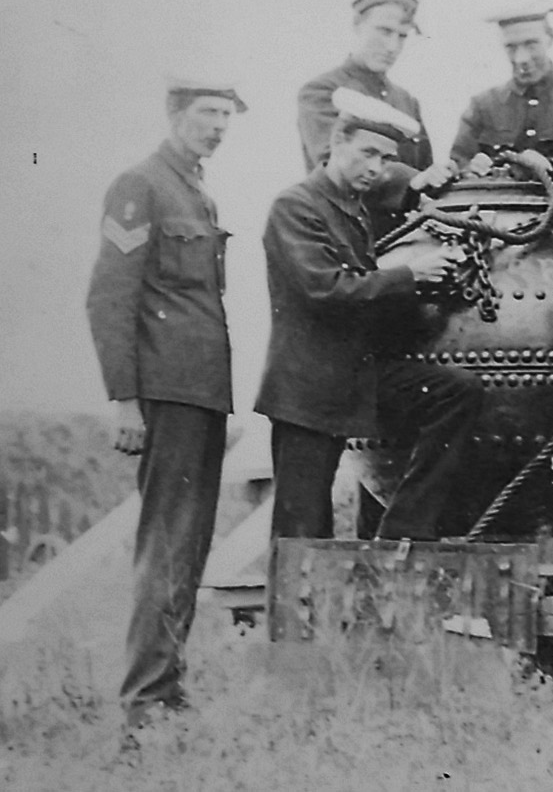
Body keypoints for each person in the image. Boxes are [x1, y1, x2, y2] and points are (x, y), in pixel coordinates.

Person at [255, 87, 485, 587]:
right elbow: (326, 289)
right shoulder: (295, 206)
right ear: (337, 140)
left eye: (387, 159)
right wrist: (411, 276)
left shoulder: (355, 209)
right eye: (368, 154)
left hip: (355, 378)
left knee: (455, 392)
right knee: (301, 533)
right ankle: (294, 651)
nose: (378, 170)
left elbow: (369, 294)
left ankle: (403, 531)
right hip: (308, 391)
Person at [85, 75, 247, 729]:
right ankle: (146, 704)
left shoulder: (197, 193)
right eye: (207, 112)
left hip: (202, 393)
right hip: (166, 394)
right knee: (167, 543)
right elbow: (108, 296)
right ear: (176, 113)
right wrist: (124, 398)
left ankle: (166, 692)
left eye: (226, 114)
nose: (218, 124)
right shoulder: (140, 186)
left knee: (189, 543)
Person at [297, 0, 456, 237]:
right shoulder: (322, 91)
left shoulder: (407, 101)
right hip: (345, 241)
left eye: (402, 36)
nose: (392, 47)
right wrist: (413, 181)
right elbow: (335, 164)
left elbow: (424, 171)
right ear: (357, 25)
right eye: (384, 31)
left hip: (406, 242)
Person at [449, 0, 553, 176]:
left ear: (550, 39)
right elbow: (458, 164)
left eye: (531, 44)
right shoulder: (482, 106)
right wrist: (469, 170)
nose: (521, 58)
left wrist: (552, 166)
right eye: (511, 47)